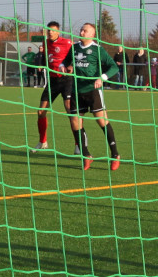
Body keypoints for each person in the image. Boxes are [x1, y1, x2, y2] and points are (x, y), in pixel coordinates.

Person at [68, 23, 122, 171]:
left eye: (85, 30)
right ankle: (86, 155)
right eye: (81, 29)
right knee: (75, 122)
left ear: (92, 34)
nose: (81, 31)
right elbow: (66, 63)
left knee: (102, 121)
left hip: (93, 90)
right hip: (76, 90)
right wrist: (63, 66)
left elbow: (114, 66)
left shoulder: (98, 50)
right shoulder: (74, 47)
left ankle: (115, 154)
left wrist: (102, 77)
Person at [33, 21, 76, 151]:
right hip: (52, 81)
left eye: (52, 30)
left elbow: (77, 54)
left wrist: (71, 66)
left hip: (67, 80)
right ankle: (43, 142)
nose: (50, 32)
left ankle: (78, 144)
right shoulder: (45, 43)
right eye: (48, 30)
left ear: (58, 32)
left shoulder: (68, 43)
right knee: (41, 111)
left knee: (70, 110)